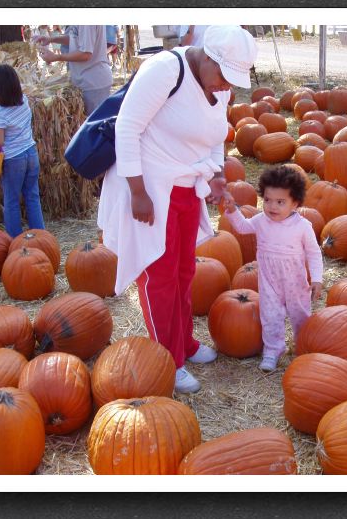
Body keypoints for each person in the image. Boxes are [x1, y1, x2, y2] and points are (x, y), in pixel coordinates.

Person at [96, 25, 258, 393]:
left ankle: (184, 341)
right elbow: (127, 128)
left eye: (230, 81)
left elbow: (216, 137)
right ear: (207, 56)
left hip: (187, 189)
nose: (224, 85)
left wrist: (218, 177)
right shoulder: (166, 70)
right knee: (160, 276)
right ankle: (168, 359)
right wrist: (137, 191)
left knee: (185, 270)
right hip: (150, 190)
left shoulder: (221, 86)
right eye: (221, 76)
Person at [222, 166, 324, 372]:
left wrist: (317, 279)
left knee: (300, 315)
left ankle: (302, 347)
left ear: (295, 203)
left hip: (295, 281)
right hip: (269, 280)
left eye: (280, 202)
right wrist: (232, 211)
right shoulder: (261, 220)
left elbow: (313, 253)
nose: (272, 207)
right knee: (270, 315)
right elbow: (242, 227)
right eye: (267, 200)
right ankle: (273, 349)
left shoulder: (302, 226)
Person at [0, 64, 45, 238]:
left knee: (11, 201)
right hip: (31, 153)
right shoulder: (24, 100)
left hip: (14, 159)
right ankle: (41, 237)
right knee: (32, 197)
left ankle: (14, 241)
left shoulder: (0, 113)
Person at [33, 25, 113, 115]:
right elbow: (75, 39)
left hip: (93, 83)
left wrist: (56, 57)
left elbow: (86, 54)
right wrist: (51, 39)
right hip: (86, 81)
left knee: (95, 125)